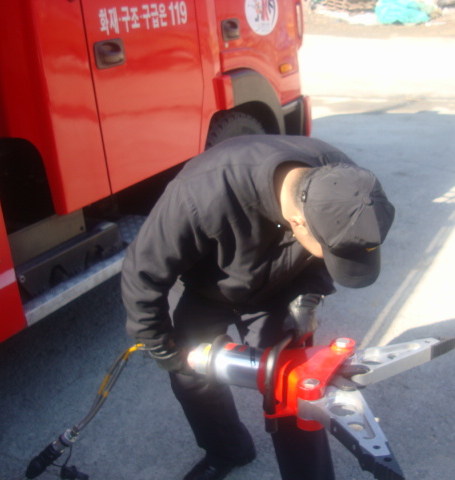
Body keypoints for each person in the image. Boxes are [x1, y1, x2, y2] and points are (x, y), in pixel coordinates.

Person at [121, 134, 395, 480]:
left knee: (295, 386)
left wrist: (308, 295)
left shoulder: (346, 184)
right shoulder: (199, 194)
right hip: (201, 289)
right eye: (330, 252)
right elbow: (141, 274)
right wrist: (161, 346)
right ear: (298, 223)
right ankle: (227, 450)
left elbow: (328, 254)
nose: (332, 258)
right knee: (193, 378)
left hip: (280, 289)